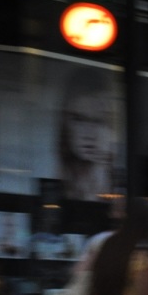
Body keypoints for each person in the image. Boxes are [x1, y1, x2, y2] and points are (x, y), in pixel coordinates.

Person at [59, 68, 116, 202]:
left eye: (98, 121)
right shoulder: (60, 174)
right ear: (65, 122)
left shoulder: (106, 177)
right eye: (79, 119)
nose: (89, 134)